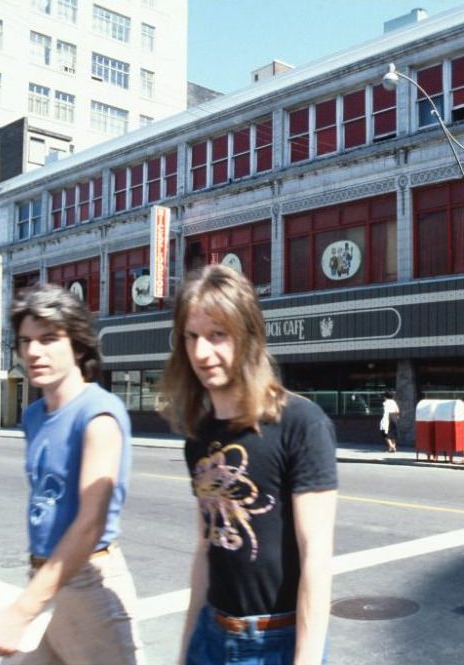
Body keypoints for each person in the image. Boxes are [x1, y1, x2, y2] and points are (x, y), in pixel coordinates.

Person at [159, 265, 338, 665]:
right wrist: (187, 648)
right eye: (192, 336)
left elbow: (316, 558)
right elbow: (206, 549)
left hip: (276, 642)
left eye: (217, 335)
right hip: (211, 636)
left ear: (248, 335)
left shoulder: (301, 424)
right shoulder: (198, 437)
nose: (201, 353)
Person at [0, 283, 144, 665]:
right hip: (42, 576)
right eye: (26, 341)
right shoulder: (34, 415)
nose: (34, 351)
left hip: (89, 583)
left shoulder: (99, 414)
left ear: (78, 345)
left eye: (49, 339)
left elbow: (90, 524)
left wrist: (21, 611)